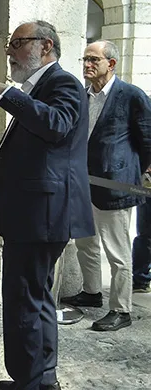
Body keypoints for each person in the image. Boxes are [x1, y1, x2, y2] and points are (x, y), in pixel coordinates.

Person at [0, 21, 94, 390]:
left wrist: (6, 94)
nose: (9, 51)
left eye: (18, 43)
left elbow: (55, 126)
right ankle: (41, 381)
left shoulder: (63, 83)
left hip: (43, 214)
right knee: (38, 299)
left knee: (23, 302)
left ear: (46, 46)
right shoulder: (40, 87)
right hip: (33, 212)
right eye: (10, 44)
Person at [61, 40, 151, 331]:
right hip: (82, 183)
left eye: (93, 60)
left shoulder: (131, 95)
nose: (87, 65)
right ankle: (91, 292)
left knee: (117, 252)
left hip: (114, 186)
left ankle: (121, 310)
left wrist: (130, 169)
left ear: (111, 64)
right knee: (85, 243)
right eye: (85, 59)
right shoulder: (82, 94)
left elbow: (148, 140)